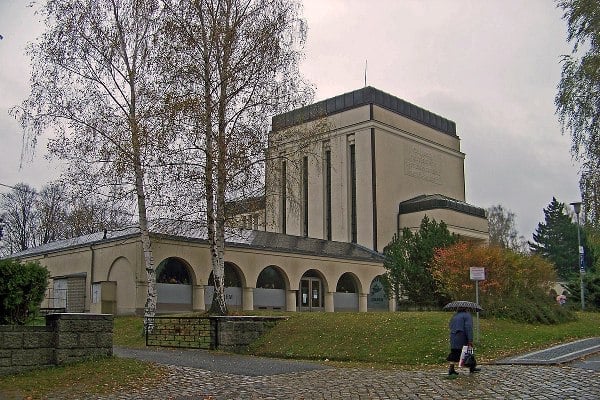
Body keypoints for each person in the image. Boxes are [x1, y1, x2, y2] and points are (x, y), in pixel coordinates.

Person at [446, 307, 480, 375]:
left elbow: (450, 325)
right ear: (466, 308)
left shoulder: (455, 316)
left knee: (454, 352)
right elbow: (468, 328)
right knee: (469, 351)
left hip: (453, 336)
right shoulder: (467, 316)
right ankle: (472, 367)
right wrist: (470, 339)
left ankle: (451, 368)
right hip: (462, 337)